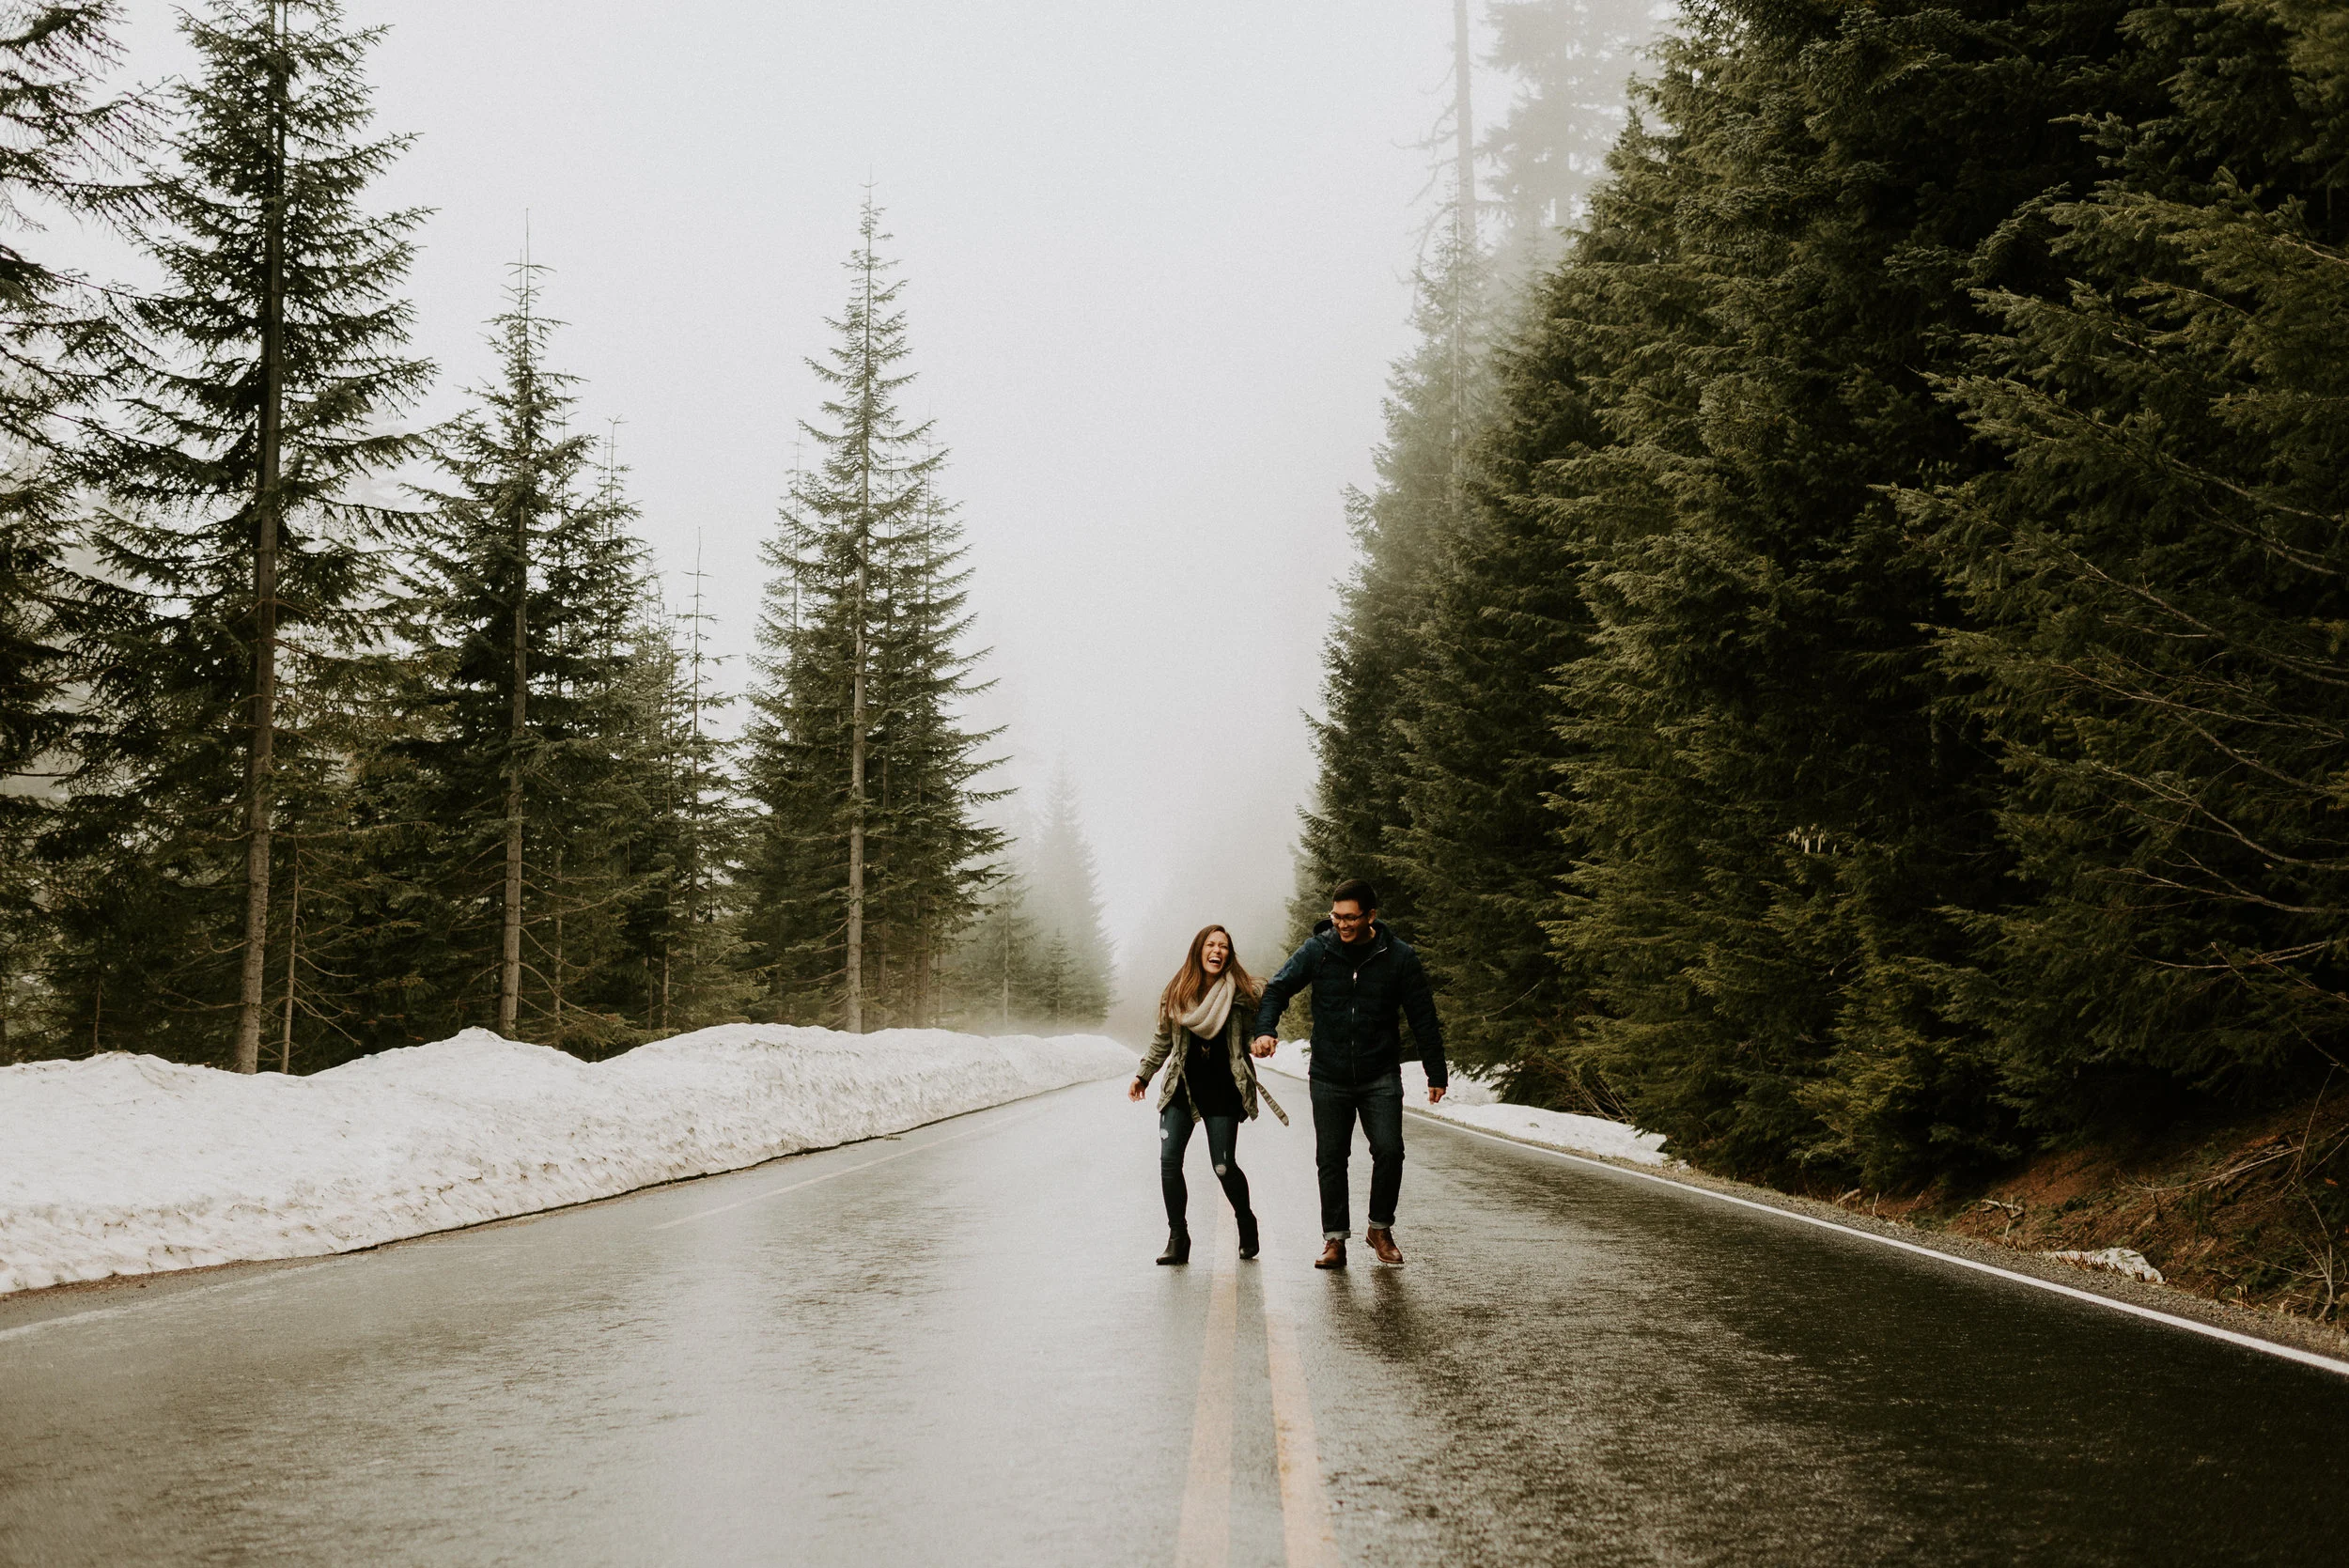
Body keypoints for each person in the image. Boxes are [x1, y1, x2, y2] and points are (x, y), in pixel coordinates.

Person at [1251, 879, 1445, 1269]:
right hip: (1329, 1074)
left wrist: (1435, 1070)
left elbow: (1423, 1015)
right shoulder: (1318, 950)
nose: (1341, 924)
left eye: (1350, 918)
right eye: (1336, 916)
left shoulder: (1399, 956)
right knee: (1331, 1158)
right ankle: (1334, 1240)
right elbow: (1277, 989)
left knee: (1390, 1150)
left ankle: (1380, 1229)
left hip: (1380, 1074)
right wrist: (1265, 1029)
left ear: (1371, 916)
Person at [1131, 924, 1287, 1265]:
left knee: (1223, 1166)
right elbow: (1162, 1039)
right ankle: (1178, 1237)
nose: (1217, 951)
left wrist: (1260, 1043)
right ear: (1198, 950)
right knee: (1169, 1161)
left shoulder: (1240, 994)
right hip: (1182, 1087)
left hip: (1223, 1087)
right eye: (1211, 945)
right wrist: (1144, 1074)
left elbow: (1253, 1033)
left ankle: (1246, 1221)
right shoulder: (1177, 993)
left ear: (1229, 955)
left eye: (1224, 946)